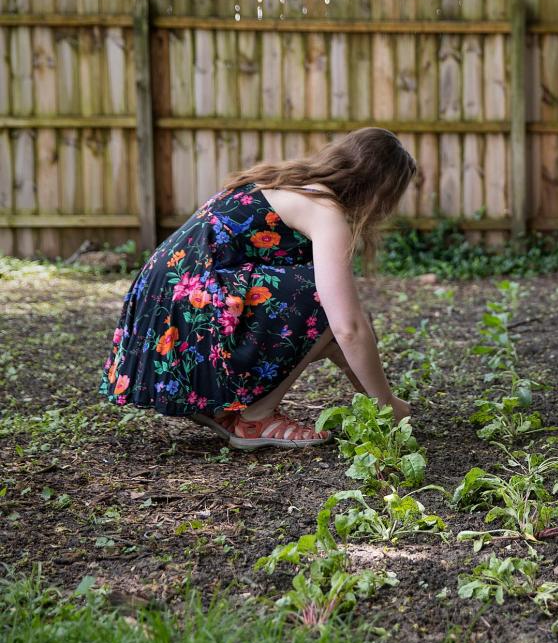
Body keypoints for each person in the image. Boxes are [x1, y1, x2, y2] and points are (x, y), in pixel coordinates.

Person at [101, 128, 418, 449]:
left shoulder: (284, 183)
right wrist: (387, 407)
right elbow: (347, 328)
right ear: (377, 191)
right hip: (190, 312)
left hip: (164, 310)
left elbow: (338, 338)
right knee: (327, 305)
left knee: (330, 315)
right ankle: (256, 418)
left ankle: (224, 409)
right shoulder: (325, 211)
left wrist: (381, 398)